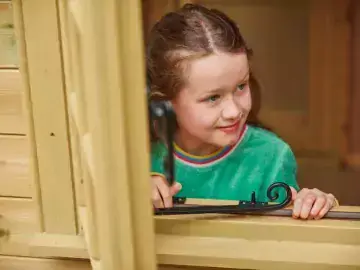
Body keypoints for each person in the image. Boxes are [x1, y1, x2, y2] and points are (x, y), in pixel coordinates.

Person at [147, 3, 338, 220]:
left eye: (241, 86)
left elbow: (287, 236)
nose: (233, 111)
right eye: (213, 97)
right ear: (164, 104)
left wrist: (316, 205)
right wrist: (132, 194)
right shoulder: (137, 158)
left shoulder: (272, 156)